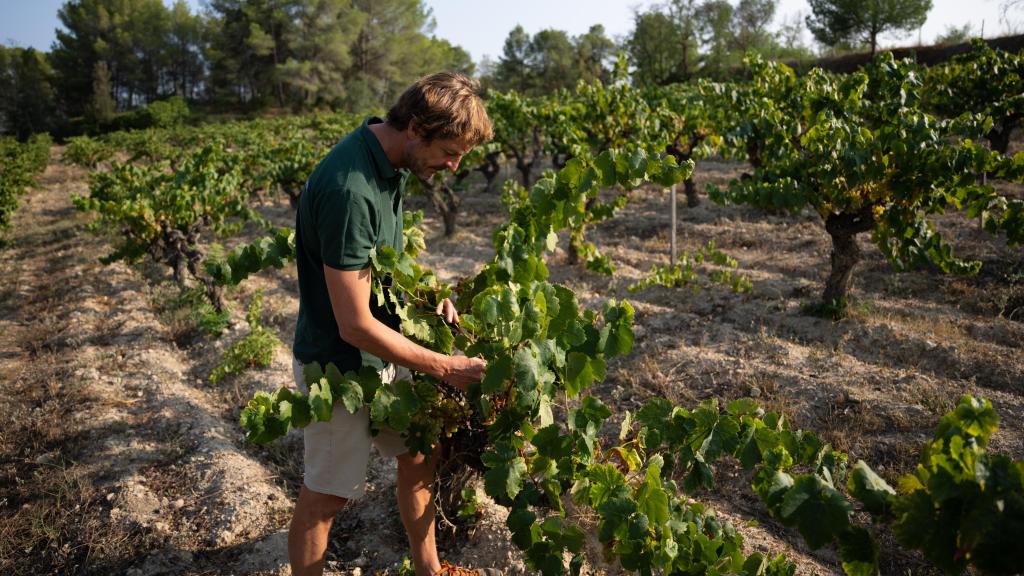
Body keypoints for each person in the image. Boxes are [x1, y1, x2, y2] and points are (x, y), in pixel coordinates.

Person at [288, 72, 498, 576]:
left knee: (422, 454)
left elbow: (382, 267)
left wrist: (428, 299)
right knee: (327, 498)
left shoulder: (391, 164)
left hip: (386, 353)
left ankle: (430, 569)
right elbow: (355, 324)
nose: (454, 165)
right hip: (339, 367)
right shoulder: (349, 189)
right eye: (450, 150)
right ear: (417, 126)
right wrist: (444, 366)